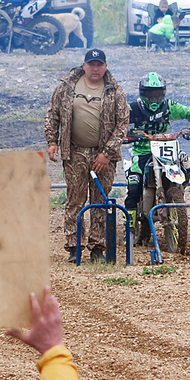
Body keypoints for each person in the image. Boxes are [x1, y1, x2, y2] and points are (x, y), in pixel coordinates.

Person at [43, 48, 126, 256]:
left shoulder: (115, 91)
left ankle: (97, 245)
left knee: (100, 199)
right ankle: (74, 245)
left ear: (105, 67)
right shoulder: (66, 87)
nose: (95, 69)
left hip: (103, 156)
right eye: (91, 65)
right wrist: (52, 141)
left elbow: (123, 124)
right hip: (74, 152)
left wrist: (107, 153)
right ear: (84, 66)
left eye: (99, 65)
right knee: (75, 199)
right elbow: (52, 114)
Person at [120, 70, 190, 243]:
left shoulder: (168, 107)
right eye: (150, 94)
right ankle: (129, 228)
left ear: (163, 93)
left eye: (157, 93)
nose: (154, 98)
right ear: (143, 93)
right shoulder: (132, 109)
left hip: (165, 148)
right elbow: (117, 120)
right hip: (141, 150)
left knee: (186, 163)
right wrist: (125, 133)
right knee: (134, 187)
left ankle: (175, 191)